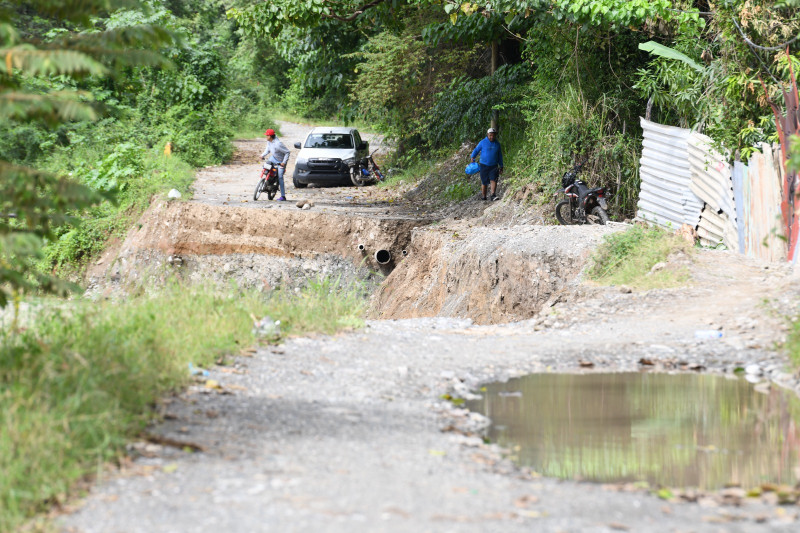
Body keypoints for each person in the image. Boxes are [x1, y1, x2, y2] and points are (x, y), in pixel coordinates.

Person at [470, 127, 504, 201]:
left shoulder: (497, 144)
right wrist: (473, 156)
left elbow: (500, 156)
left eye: (493, 135)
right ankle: (484, 196)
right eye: (490, 135)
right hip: (484, 165)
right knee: (484, 181)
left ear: (495, 135)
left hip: (494, 165)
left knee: (493, 180)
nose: (492, 137)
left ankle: (493, 195)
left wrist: (501, 166)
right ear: (487, 135)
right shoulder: (482, 142)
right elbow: (476, 150)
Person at [260, 128, 290, 201]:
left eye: (267, 135)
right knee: (266, 166)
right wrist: (262, 155)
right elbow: (268, 149)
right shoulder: (269, 142)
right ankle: (268, 180)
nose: (266, 137)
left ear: (270, 136)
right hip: (273, 158)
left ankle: (283, 196)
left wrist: (284, 162)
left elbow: (287, 152)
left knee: (280, 177)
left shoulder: (278, 144)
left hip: (281, 161)